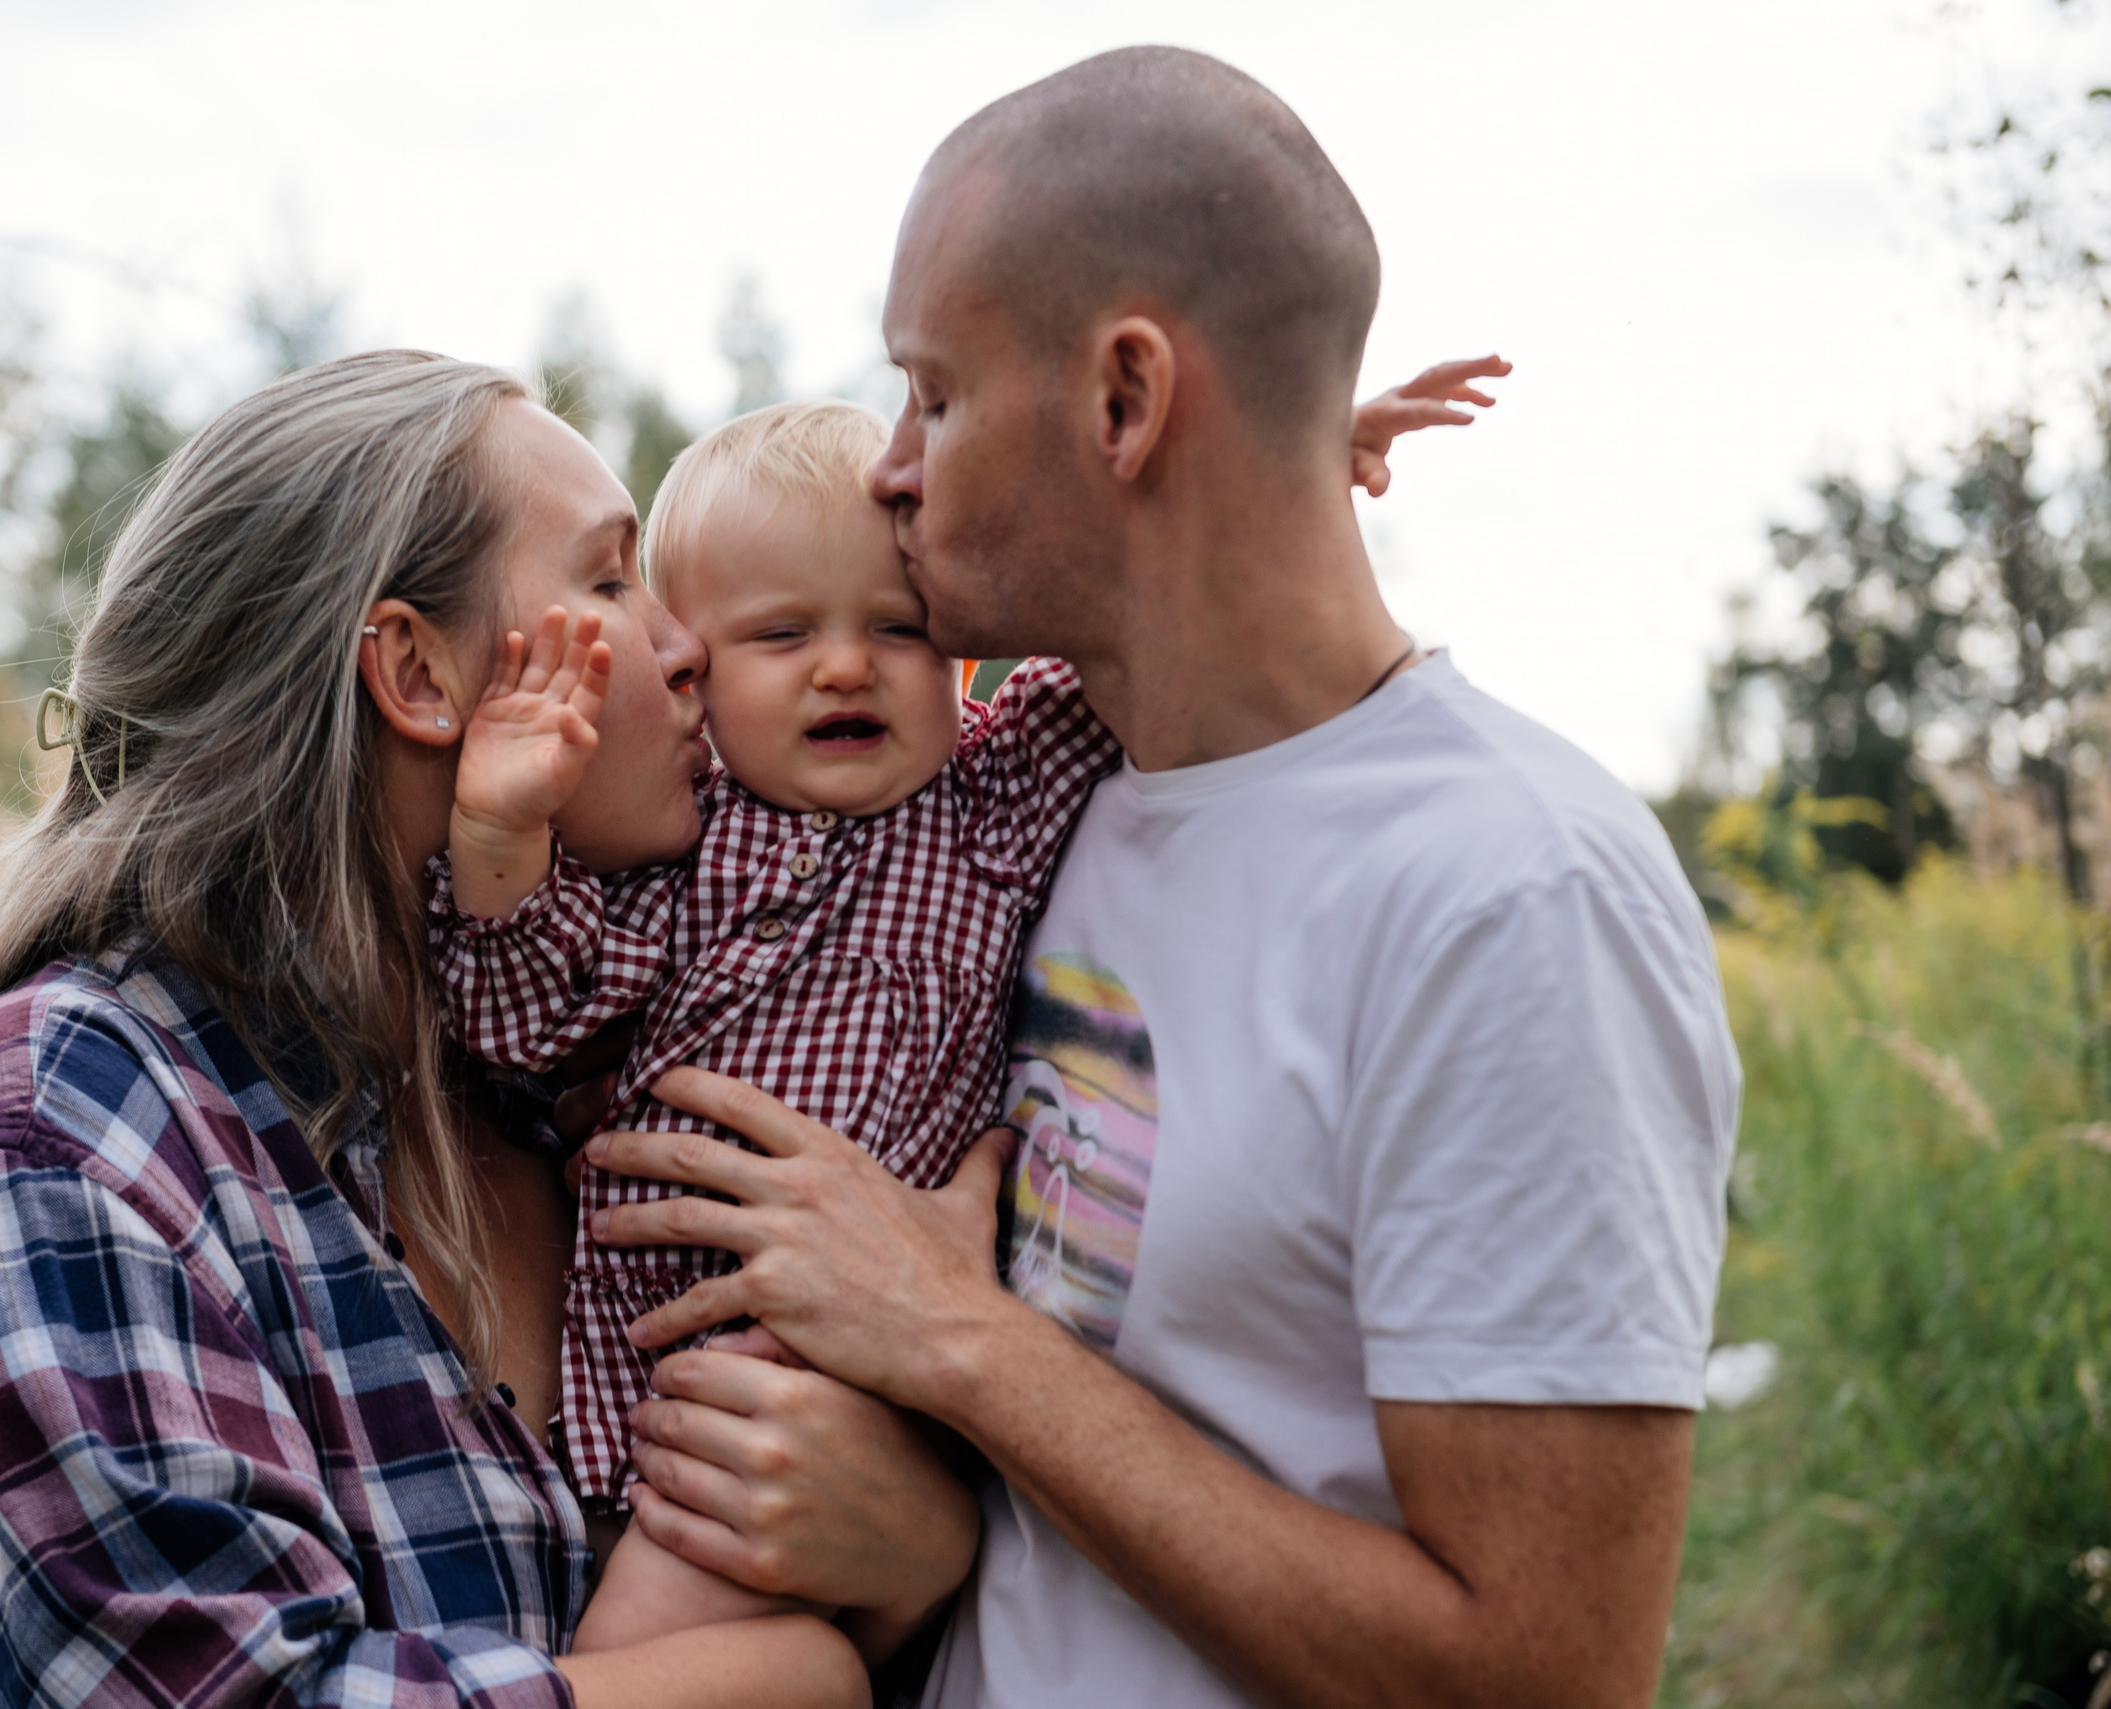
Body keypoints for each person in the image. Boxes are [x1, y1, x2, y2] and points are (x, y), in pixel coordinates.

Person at [579, 47, 1741, 1709]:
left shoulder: (1508, 892)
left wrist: (969, 1347)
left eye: (936, 392)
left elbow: (1540, 1672)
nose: (891, 465)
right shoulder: (1034, 810)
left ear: (1124, 400)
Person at [0, 351, 977, 1709]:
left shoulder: (564, 1088)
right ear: (416, 671)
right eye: (607, 581)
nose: (682, 644)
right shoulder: (58, 1131)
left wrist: (919, 1553)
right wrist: (797, 1673)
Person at [428, 387, 1490, 1656]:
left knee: (716, 1641)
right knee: (687, 1641)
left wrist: (1271, 473)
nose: (845, 664)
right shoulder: (683, 856)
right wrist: (499, 838)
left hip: (871, 1354)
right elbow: (524, 1007)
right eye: (781, 635)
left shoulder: (986, 804)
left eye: (898, 627)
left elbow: (1150, 624)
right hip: (682, 1369)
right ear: (692, 668)